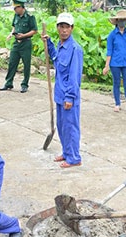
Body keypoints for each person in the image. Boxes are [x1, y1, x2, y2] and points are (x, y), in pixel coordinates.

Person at [42, 13, 83, 169]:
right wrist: (49, 44)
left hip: (68, 97)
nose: (64, 30)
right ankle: (66, 152)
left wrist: (70, 97)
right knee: (62, 126)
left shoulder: (75, 49)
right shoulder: (60, 46)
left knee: (71, 127)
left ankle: (74, 158)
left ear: (71, 29)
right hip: (59, 94)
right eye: (61, 27)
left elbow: (74, 76)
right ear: (58, 28)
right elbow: (55, 58)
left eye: (67, 27)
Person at [1, 0, 38, 93]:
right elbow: (14, 26)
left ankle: (24, 84)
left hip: (26, 43)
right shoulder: (16, 16)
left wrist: (24, 35)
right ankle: (8, 83)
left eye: (16, 8)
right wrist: (11, 33)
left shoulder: (30, 17)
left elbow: (34, 30)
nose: (15, 10)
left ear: (21, 7)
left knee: (26, 64)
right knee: (12, 62)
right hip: (16, 43)